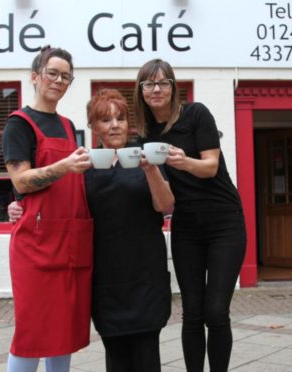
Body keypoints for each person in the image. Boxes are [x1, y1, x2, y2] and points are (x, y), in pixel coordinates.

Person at [9, 89, 175, 372]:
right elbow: (57, 201)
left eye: (120, 118)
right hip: (104, 279)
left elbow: (166, 205)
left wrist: (150, 170)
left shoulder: (145, 159)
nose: (114, 125)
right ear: (93, 127)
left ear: (128, 124)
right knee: (116, 357)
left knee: (148, 356)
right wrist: (19, 207)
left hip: (145, 276)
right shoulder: (83, 167)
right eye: (105, 119)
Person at [133, 58, 247, 372]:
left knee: (216, 311)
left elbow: (211, 166)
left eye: (163, 83)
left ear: (173, 87)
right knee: (192, 312)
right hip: (186, 227)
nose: (156, 89)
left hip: (225, 221)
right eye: (149, 84)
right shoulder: (144, 135)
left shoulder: (196, 114)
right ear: (141, 91)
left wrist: (184, 162)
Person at [2, 45, 93, 371]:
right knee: (31, 333)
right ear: (35, 76)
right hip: (36, 247)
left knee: (62, 332)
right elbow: (22, 181)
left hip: (70, 243)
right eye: (52, 73)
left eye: (65, 76)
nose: (58, 80)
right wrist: (66, 166)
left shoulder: (69, 125)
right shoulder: (19, 124)